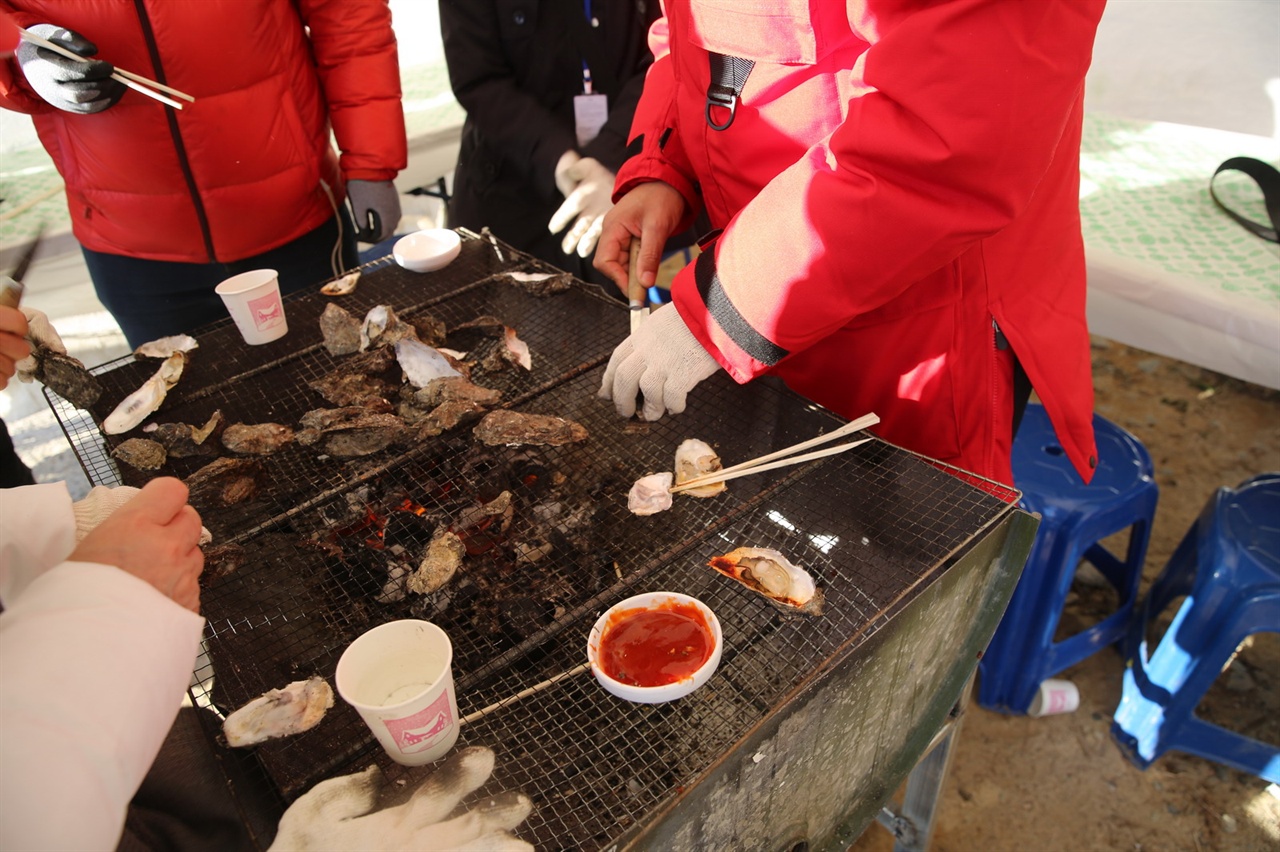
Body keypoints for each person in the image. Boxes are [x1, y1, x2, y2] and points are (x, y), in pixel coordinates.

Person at [595, 1, 1105, 487]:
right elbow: (690, 36)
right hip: (764, 294)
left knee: (892, 555)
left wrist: (718, 308)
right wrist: (665, 164)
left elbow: (943, 146)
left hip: (918, 331)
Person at [0, 1, 407, 349]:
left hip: (295, 213)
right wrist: (21, 56)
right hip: (130, 243)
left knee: (343, 381)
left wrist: (372, 161)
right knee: (177, 415)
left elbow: (349, 19)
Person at [439, 0, 662, 286]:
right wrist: (559, 158)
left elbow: (665, 55)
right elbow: (477, 79)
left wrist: (611, 153)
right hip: (508, 190)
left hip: (620, 178)